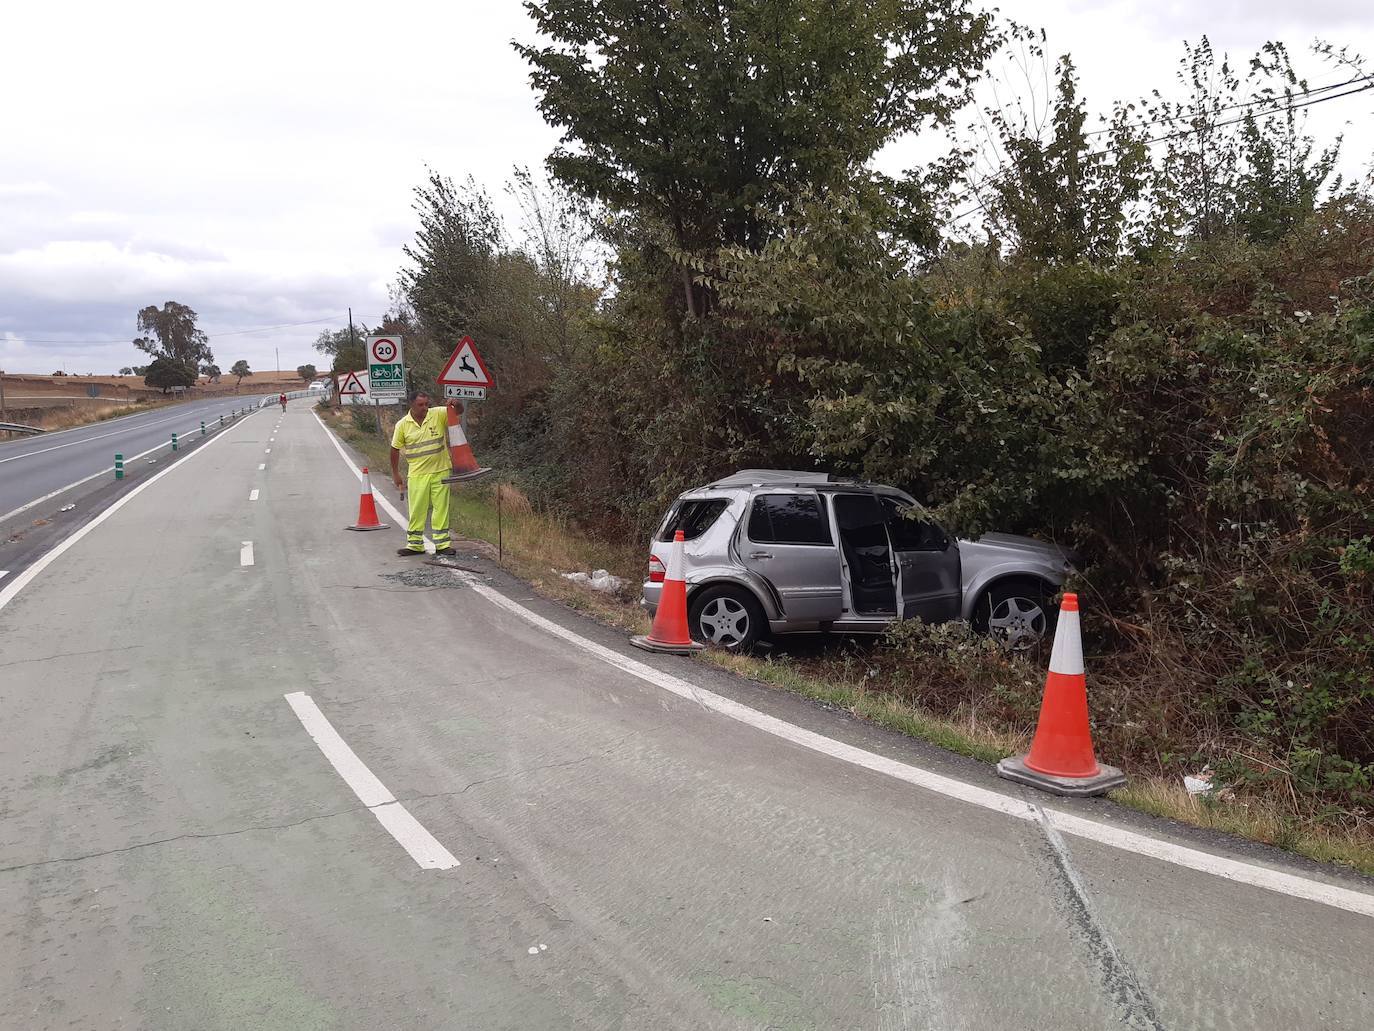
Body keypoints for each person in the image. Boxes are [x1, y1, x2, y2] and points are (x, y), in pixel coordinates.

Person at [390, 390, 456, 557]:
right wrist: (396, 473)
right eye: (420, 405)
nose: (425, 408)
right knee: (417, 509)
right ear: (411, 404)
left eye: (427, 404)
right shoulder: (403, 425)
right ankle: (415, 545)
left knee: (441, 508)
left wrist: (456, 403)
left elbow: (458, 412)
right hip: (417, 473)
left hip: (440, 471)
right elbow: (394, 449)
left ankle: (442, 544)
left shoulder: (438, 414)